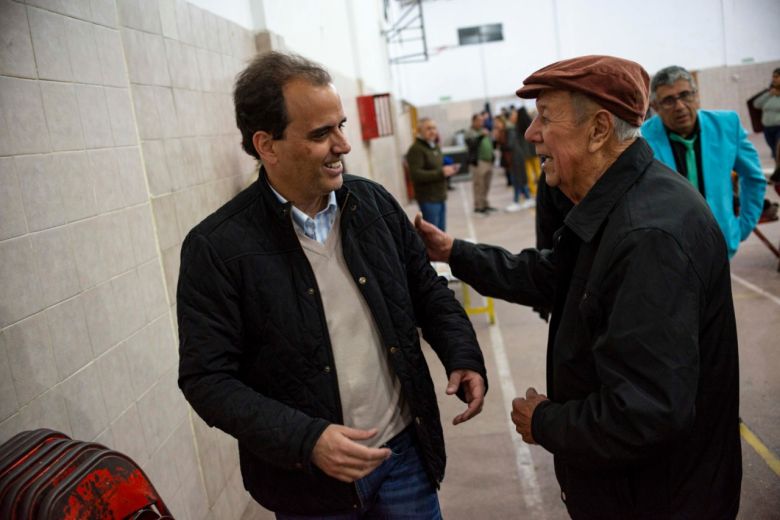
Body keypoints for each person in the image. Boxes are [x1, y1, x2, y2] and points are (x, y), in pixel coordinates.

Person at [415, 55, 742, 519]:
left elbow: (645, 413)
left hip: (658, 501)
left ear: (599, 129)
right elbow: (552, 274)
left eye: (546, 117)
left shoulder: (647, 236)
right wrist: (454, 252)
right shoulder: (619, 203)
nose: (531, 134)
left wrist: (545, 422)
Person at [177, 51, 488, 519]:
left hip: (404, 455)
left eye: (341, 125)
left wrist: (461, 352)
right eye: (322, 134)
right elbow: (207, 379)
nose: (343, 145)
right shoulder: (217, 248)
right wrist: (306, 440)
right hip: (308, 485)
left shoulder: (374, 206)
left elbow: (425, 290)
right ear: (267, 145)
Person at [641, 65, 766, 258]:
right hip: (668, 251)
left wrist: (742, 226)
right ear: (655, 108)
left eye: (685, 95)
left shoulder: (727, 125)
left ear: (696, 95)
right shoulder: (642, 140)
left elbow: (753, 177)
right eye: (668, 100)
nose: (680, 106)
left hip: (719, 243)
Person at [406, 118, 459, 231]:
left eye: (434, 128)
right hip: (428, 198)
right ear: (419, 131)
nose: (432, 131)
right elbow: (416, 174)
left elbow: (437, 167)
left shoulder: (434, 146)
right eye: (428, 128)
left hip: (440, 195)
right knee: (433, 236)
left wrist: (449, 170)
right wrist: (441, 173)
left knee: (441, 233)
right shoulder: (416, 149)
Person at [753, 67, 780, 182]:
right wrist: (770, 94)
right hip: (768, 128)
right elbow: (756, 104)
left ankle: (777, 175)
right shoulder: (769, 93)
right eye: (773, 76)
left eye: (776, 77)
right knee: (775, 153)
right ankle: (778, 172)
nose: (773, 79)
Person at [465, 113, 496, 214]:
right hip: (478, 162)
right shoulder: (470, 132)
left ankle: (485, 204)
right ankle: (478, 206)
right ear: (473, 121)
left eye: (482, 120)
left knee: (486, 185)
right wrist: (481, 136)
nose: (481, 122)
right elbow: (472, 144)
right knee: (479, 185)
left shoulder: (485, 131)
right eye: (479, 120)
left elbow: (492, 144)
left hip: (488, 161)